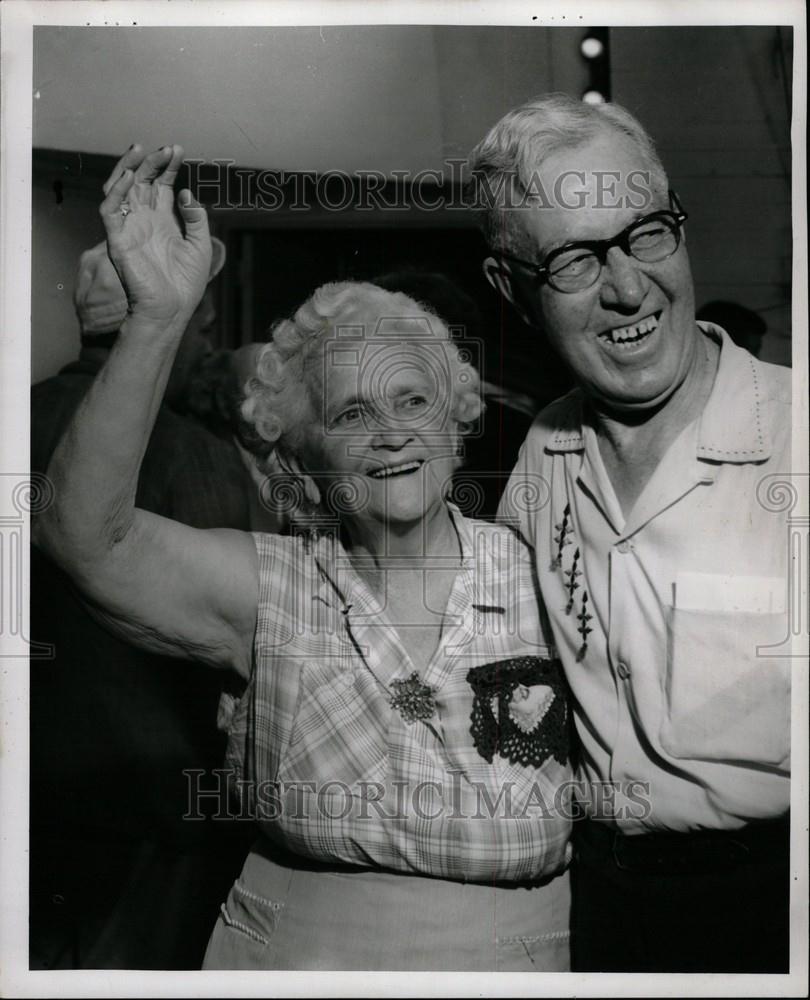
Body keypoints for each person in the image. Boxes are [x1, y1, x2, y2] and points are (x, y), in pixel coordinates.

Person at [34, 143, 574, 972]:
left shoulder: (540, 570)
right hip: (296, 960)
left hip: (517, 961)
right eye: (353, 413)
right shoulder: (273, 585)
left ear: (456, 420)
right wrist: (157, 321)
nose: (392, 432)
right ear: (305, 450)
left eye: (414, 400)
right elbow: (85, 537)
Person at [470, 93, 792, 973]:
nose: (627, 287)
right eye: (573, 259)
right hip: (600, 905)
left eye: (646, 232)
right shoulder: (541, 458)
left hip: (777, 905)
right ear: (512, 289)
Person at [30, 231, 255, 968]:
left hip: (32, 797)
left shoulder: (17, 419)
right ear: (161, 325)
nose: (210, 347)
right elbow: (246, 625)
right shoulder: (193, 452)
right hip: (154, 813)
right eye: (206, 329)